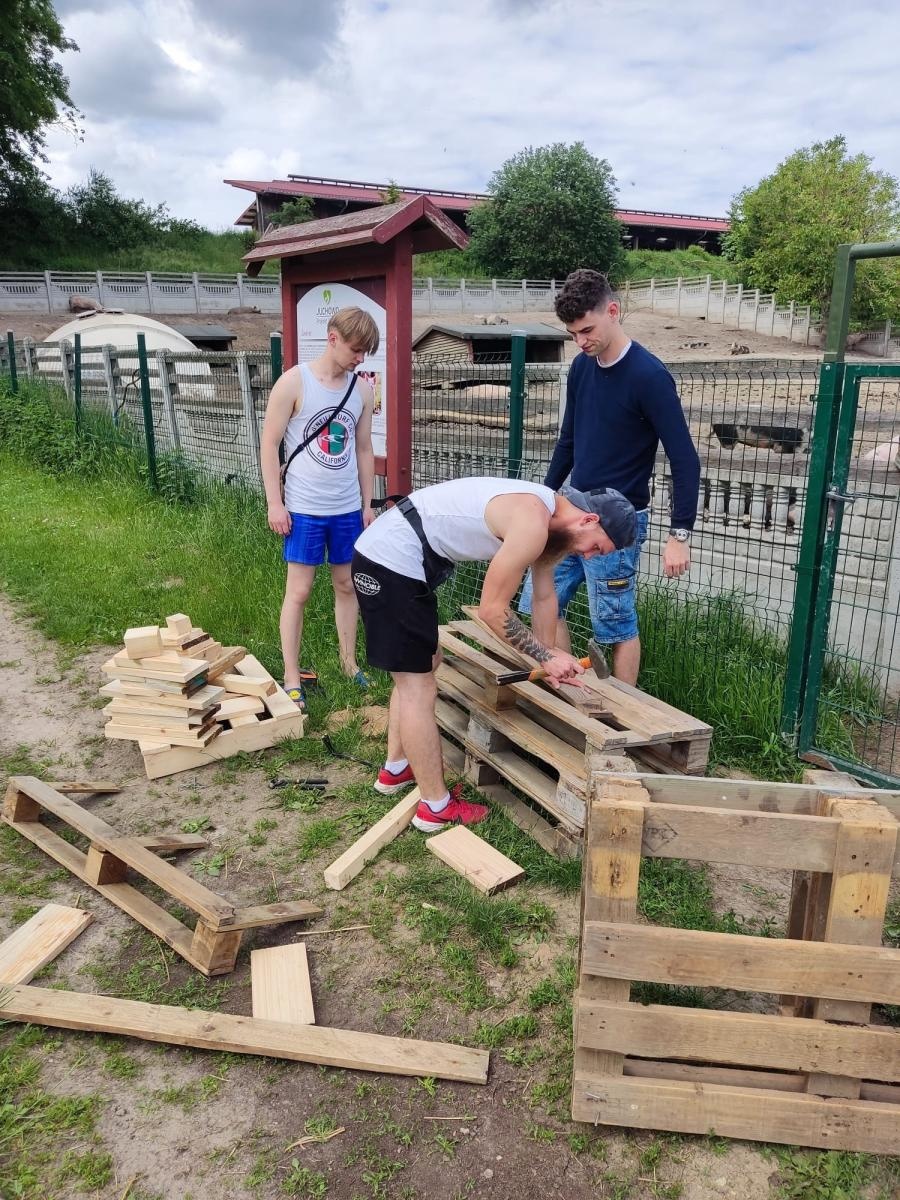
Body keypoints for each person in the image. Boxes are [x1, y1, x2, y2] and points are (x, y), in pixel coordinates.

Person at [351, 477, 636, 832]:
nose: (589, 556)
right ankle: (435, 808)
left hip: (405, 558)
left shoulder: (549, 523)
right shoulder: (532, 521)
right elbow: (492, 611)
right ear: (589, 520)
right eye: (597, 548)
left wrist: (545, 662)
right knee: (416, 687)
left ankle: (397, 768)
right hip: (389, 560)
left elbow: (544, 598)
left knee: (425, 664)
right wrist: (546, 658)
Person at [519, 268, 701, 685]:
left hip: (618, 524)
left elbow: (685, 459)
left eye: (587, 330)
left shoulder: (650, 377)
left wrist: (680, 534)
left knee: (615, 624)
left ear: (613, 311)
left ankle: (620, 715)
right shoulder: (582, 368)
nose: (581, 342)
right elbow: (568, 440)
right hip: (569, 511)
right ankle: (569, 694)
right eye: (573, 335)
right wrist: (543, 499)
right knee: (542, 602)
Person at [261, 307, 378, 707]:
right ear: (333, 338)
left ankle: (349, 663)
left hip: (346, 509)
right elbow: (268, 444)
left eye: (366, 353)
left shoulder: (362, 390)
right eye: (356, 349)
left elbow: (363, 448)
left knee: (347, 586)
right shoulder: (294, 382)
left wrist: (367, 504)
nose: (360, 358)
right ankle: (291, 675)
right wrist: (275, 503)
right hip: (304, 508)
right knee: (299, 592)